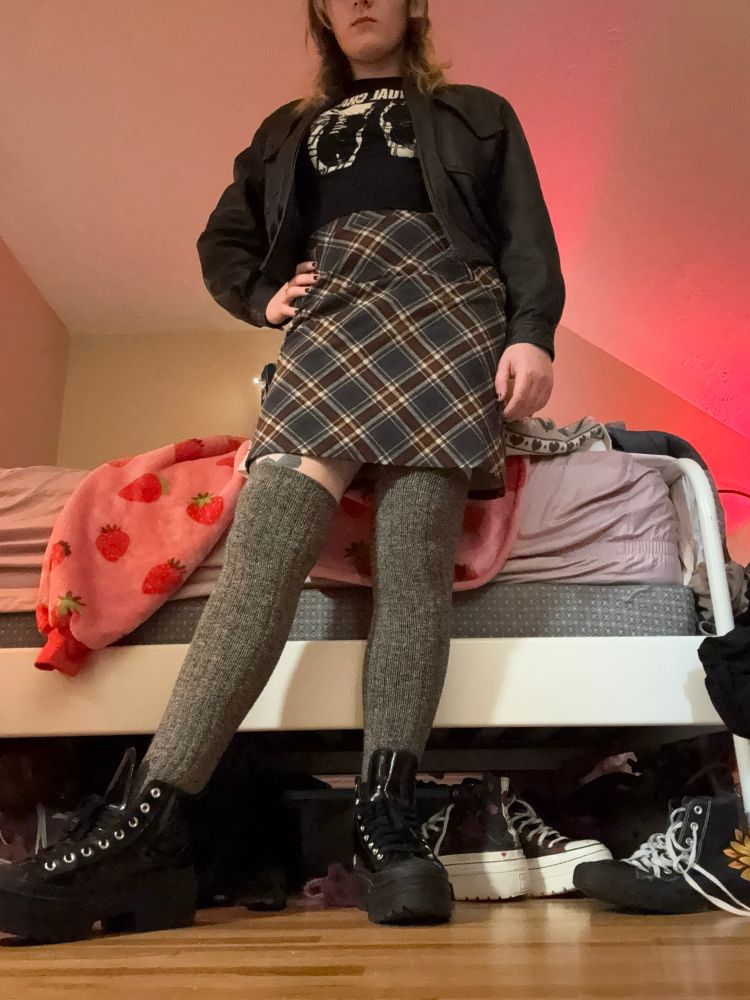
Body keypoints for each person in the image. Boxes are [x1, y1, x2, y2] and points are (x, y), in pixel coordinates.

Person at [0, 0, 564, 942]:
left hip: (450, 315)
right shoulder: (286, 130)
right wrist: (264, 296)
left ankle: (388, 823)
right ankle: (151, 825)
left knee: (415, 565)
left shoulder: (478, 112)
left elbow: (523, 231)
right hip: (331, 322)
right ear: (323, 17)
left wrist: (531, 333)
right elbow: (223, 242)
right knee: (262, 554)